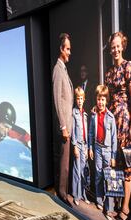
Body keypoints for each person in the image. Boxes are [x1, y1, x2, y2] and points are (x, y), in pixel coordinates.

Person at [104, 32, 131, 220]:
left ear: (122, 46)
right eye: (113, 47)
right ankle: (115, 203)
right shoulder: (109, 72)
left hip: (125, 121)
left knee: (127, 164)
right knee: (114, 161)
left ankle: (125, 206)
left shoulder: (128, 66)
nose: (115, 49)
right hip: (112, 121)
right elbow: (107, 97)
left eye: (118, 46)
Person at [88, 85, 117, 220]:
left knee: (109, 178)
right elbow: (91, 133)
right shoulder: (94, 115)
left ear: (106, 101)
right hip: (98, 148)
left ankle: (109, 208)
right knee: (98, 175)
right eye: (99, 99)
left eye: (103, 100)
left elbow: (114, 139)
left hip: (108, 150)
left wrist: (113, 156)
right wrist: (90, 148)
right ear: (96, 99)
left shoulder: (111, 117)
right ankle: (99, 200)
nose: (100, 102)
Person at [53, 33, 73, 205]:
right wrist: (63, 126)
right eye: (67, 49)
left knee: (65, 161)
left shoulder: (64, 69)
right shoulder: (58, 70)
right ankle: (62, 194)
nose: (69, 52)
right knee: (64, 162)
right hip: (64, 126)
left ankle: (63, 191)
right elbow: (58, 100)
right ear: (61, 49)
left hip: (68, 124)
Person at [71, 87, 90, 206]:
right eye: (78, 98)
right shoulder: (74, 113)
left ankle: (83, 194)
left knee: (83, 171)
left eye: (81, 98)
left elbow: (86, 133)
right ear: (75, 100)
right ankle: (76, 195)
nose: (80, 101)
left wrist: (87, 148)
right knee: (77, 171)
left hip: (84, 145)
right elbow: (73, 130)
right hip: (77, 145)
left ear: (84, 99)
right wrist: (74, 146)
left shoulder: (85, 114)